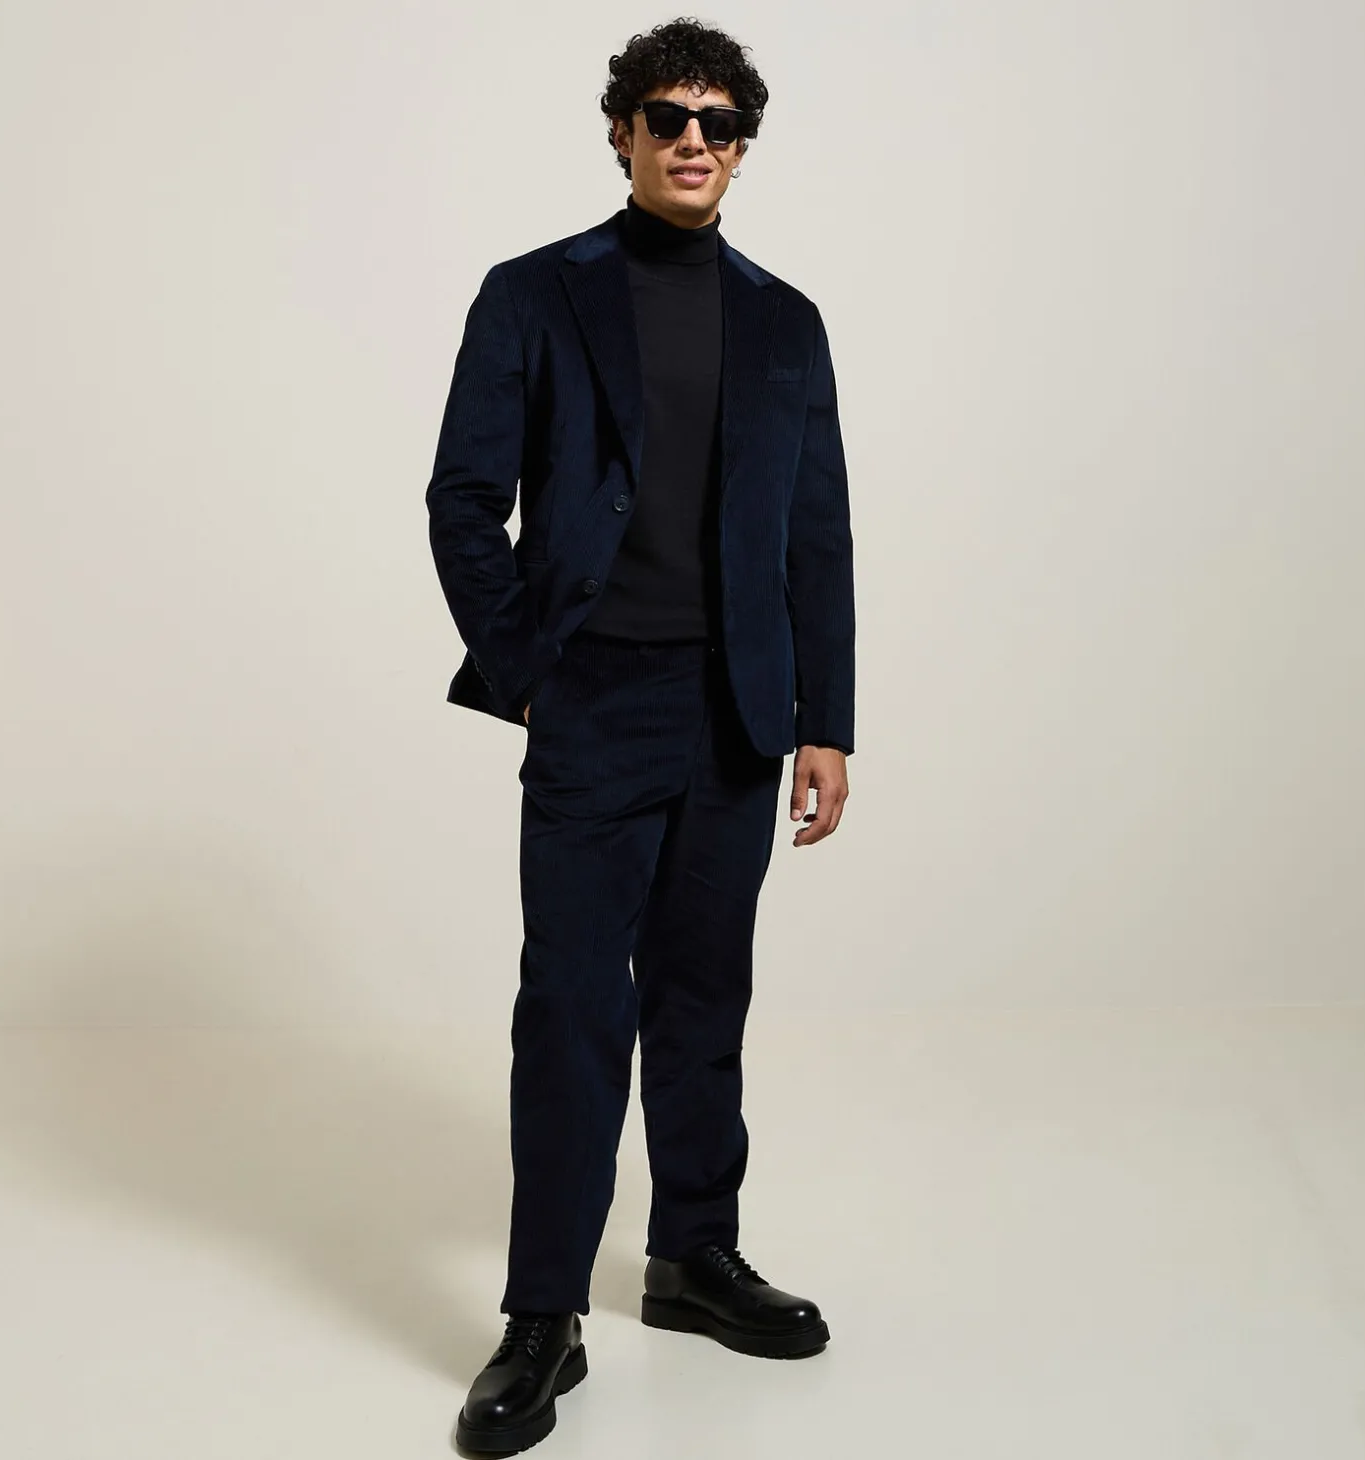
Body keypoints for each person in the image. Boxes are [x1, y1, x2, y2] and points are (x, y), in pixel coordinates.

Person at [425, 18, 855, 1453]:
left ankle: (693, 1258)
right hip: (597, 700)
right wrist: (530, 668)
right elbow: (462, 498)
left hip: (738, 712)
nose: (692, 141)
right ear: (622, 132)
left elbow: (816, 533)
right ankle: (543, 1314)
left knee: (702, 995)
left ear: (742, 148)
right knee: (571, 1007)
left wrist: (825, 720)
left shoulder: (787, 321)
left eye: (719, 123)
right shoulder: (535, 294)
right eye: (667, 116)